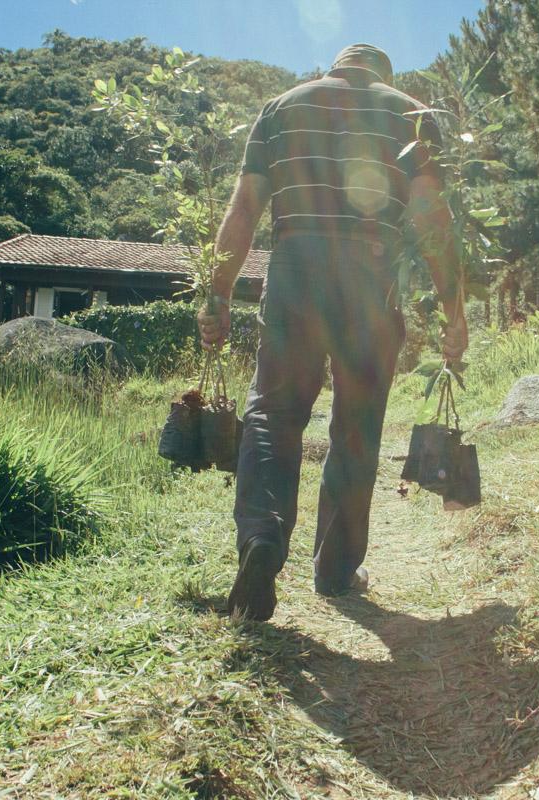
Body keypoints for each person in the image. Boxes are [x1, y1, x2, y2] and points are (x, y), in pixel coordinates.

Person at [197, 43, 468, 621]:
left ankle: (261, 544)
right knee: (357, 421)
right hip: (372, 278)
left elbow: (244, 208)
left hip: (295, 270)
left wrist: (217, 294)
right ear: (382, 75)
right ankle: (336, 570)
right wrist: (454, 308)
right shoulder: (412, 114)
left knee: (273, 411)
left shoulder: (279, 109)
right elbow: (431, 217)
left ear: (335, 68)